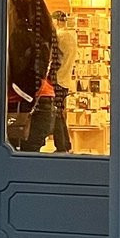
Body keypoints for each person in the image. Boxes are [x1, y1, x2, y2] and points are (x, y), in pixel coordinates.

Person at [7, 0, 59, 152]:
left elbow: (22, 74)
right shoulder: (47, 33)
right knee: (31, 156)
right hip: (44, 101)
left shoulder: (20, 35)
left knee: (18, 156)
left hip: (23, 104)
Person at [51, 10, 78, 154]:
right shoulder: (71, 36)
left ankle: (61, 145)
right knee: (59, 112)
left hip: (58, 79)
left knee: (55, 112)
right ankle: (65, 143)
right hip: (66, 79)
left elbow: (54, 59)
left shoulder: (59, 36)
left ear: (55, 21)